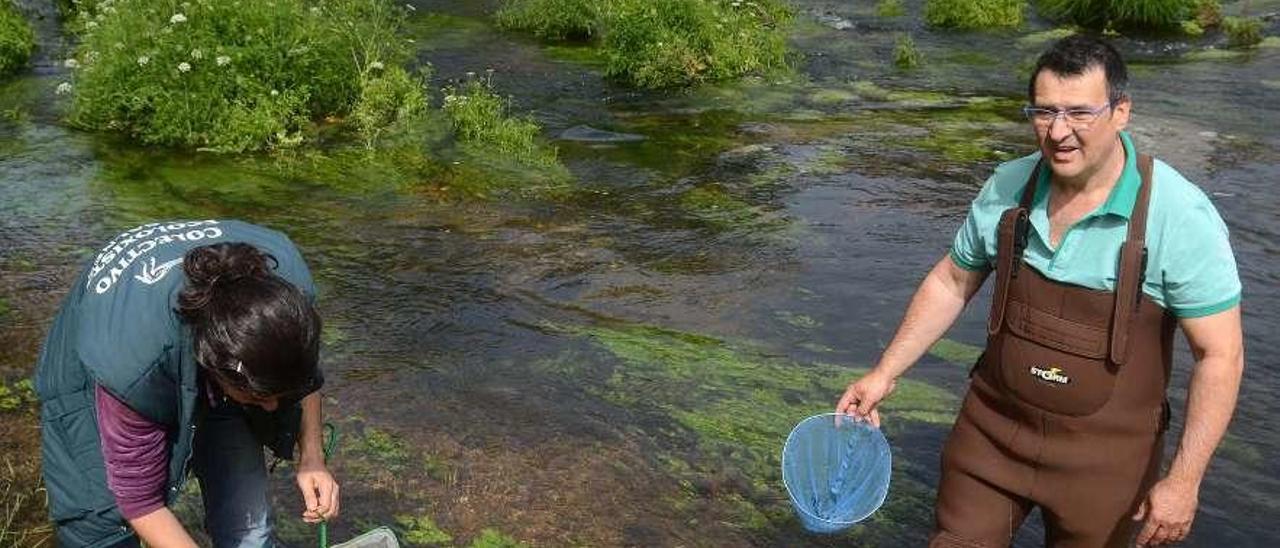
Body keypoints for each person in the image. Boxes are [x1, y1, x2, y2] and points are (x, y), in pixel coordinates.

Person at [836, 35, 1244, 548]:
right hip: (990, 441)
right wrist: (885, 373)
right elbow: (952, 280)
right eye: (1044, 111)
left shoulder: (1179, 216)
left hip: (1108, 470)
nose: (1058, 132)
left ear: (1121, 112)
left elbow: (1220, 355)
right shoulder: (1008, 186)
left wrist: (1184, 482)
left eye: (1079, 113)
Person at [33, 220, 340, 547]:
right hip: (104, 357)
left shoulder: (286, 299)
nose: (273, 407)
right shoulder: (129, 361)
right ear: (216, 367)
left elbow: (303, 378)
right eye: (261, 396)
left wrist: (312, 458)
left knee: (250, 528)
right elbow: (141, 503)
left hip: (206, 353)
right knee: (98, 523)